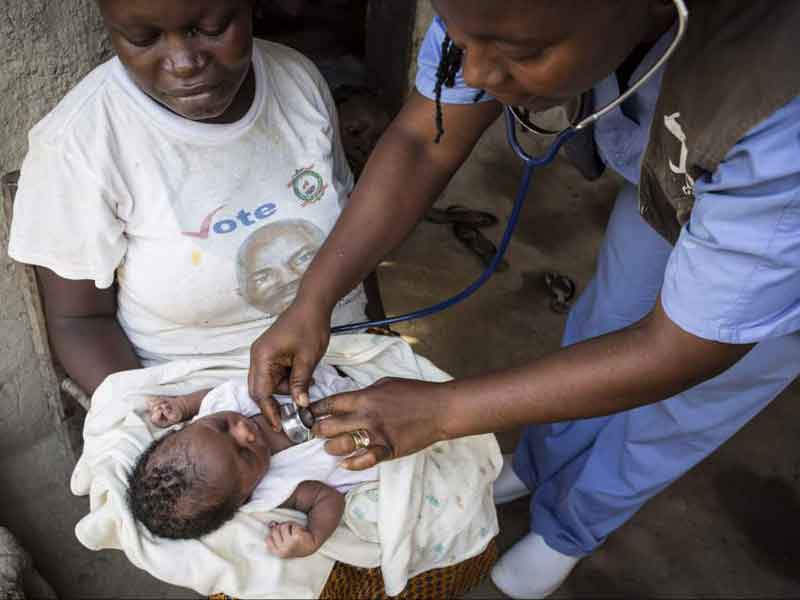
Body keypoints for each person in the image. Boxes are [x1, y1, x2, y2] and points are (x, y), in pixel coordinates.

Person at [246, 0, 800, 597]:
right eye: (462, 37)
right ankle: (538, 464)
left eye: (522, 52)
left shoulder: (779, 118)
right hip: (677, 175)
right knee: (606, 322)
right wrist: (314, 297)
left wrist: (444, 413)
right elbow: (423, 140)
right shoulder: (504, 15)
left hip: (775, 232)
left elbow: (682, 350)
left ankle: (575, 524)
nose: (476, 74)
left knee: (688, 399)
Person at [8, 0, 500, 596]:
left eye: (210, 27)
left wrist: (369, 335)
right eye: (143, 37)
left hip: (339, 350)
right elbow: (78, 320)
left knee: (443, 501)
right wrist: (180, 433)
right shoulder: (80, 144)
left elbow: (350, 235)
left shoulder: (296, 81)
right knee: (267, 562)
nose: (184, 61)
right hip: (199, 380)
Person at [129, 365, 377, 559]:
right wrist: (314, 537)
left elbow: (212, 396)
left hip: (346, 380)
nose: (243, 431)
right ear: (243, 497)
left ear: (191, 424)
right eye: (244, 453)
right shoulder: (271, 489)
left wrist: (182, 405)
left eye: (221, 425)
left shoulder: (221, 405)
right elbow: (326, 499)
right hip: (374, 435)